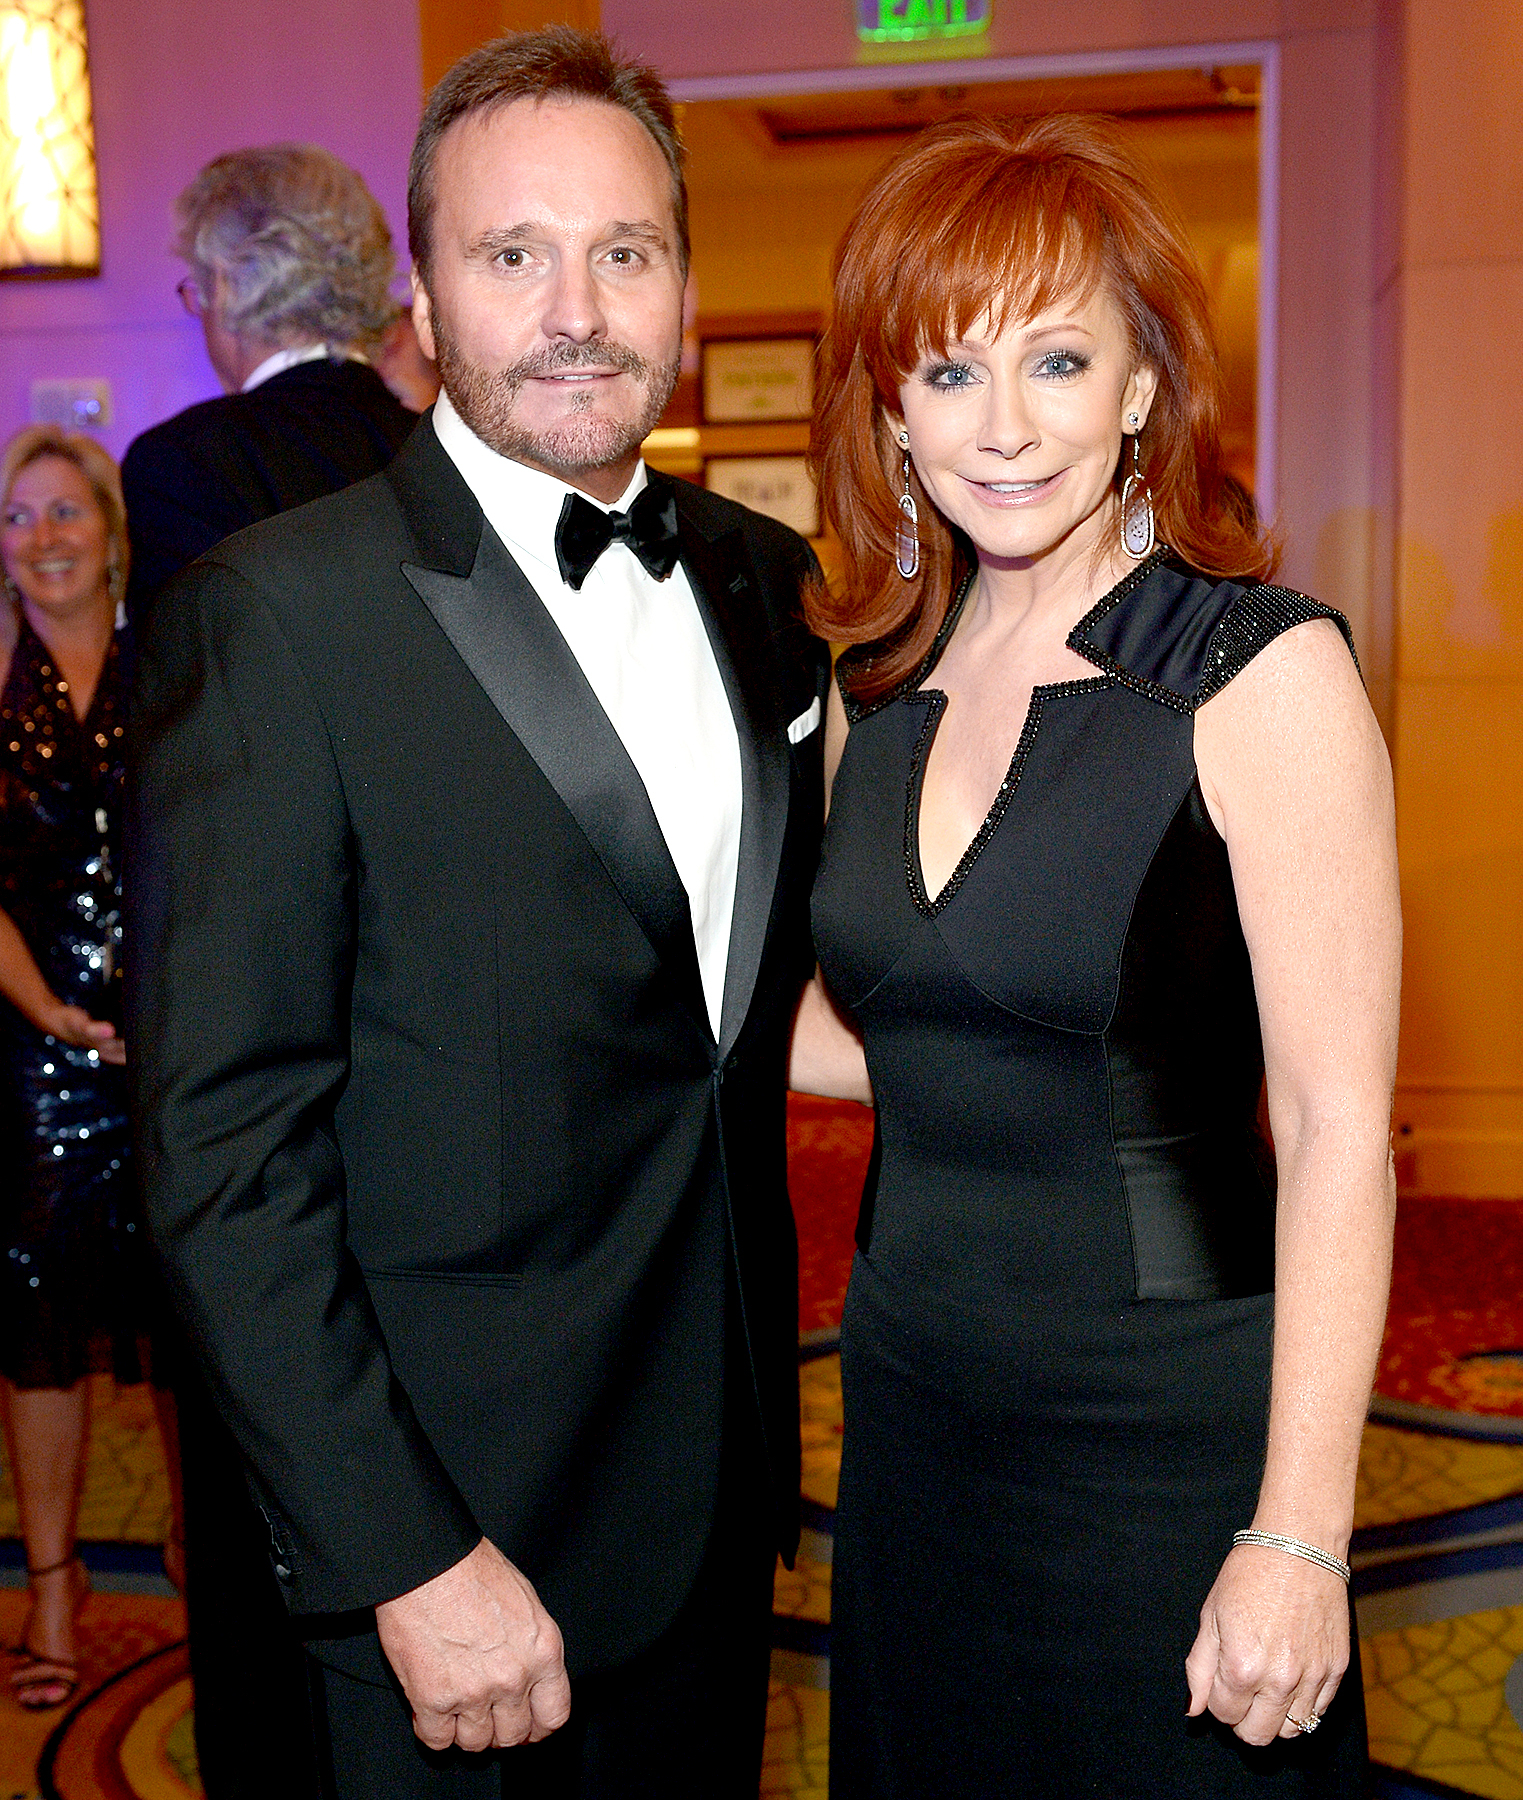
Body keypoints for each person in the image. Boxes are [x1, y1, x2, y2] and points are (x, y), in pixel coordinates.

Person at [127, 26, 828, 1800]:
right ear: (423, 303)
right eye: (513, 254)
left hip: (711, 1491)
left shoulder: (767, 585)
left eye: (625, 251)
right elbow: (220, 1151)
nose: (575, 306)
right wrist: (403, 1555)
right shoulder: (272, 617)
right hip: (444, 1546)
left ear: (683, 283)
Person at [791, 113, 1399, 1796]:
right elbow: (907, 1026)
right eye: (945, 372)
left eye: (1056, 361)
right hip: (912, 1419)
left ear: (1141, 386)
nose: (1001, 430)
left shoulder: (1250, 674)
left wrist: (1298, 1532)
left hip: (1164, 1439)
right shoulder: (877, 699)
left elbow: (1338, 1122)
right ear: (888, 412)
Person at [120, 139, 419, 1800]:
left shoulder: (181, 473)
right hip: (433, 1052)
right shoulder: (442, 455)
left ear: (233, 287)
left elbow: (199, 804)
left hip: (269, 1050)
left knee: (265, 1490)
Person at [0, 425, 179, 1710]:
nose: (44, 536)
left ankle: (203, 1547)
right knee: (40, 1339)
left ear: (114, 534)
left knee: (196, 1315)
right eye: (20, 517)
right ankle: (53, 1586)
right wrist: (54, 1015)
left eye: (67, 512)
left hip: (182, 1055)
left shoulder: (176, 660)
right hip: (30, 1064)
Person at [121, 143, 416, 625]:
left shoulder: (182, 463)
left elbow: (181, 688)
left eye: (199, 289)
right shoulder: (434, 445)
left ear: (228, 286)